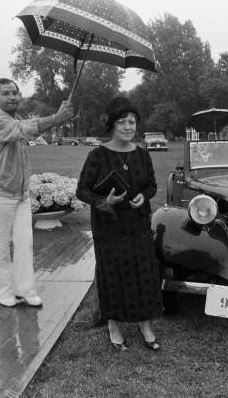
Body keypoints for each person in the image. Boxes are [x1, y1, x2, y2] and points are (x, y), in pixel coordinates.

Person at [0, 78, 73, 308]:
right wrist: (56, 118)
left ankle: (26, 290)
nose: (12, 97)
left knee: (24, 243)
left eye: (15, 93)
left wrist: (56, 120)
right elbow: (21, 130)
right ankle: (4, 292)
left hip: (20, 195)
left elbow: (25, 130)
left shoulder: (14, 119)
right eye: (6, 93)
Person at [76, 97, 162, 351]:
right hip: (109, 227)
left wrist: (143, 196)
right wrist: (105, 200)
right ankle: (113, 324)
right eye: (122, 121)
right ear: (112, 125)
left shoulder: (143, 155)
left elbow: (151, 185)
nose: (127, 126)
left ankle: (144, 324)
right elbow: (82, 190)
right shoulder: (98, 155)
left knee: (143, 272)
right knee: (113, 274)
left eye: (132, 122)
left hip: (138, 224)